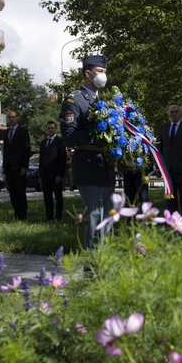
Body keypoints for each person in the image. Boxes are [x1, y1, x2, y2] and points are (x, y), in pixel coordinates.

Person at [59, 55, 116, 249]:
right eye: (100, 72)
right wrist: (96, 134)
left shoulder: (106, 102)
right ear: (88, 73)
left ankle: (105, 260)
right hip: (88, 165)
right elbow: (68, 137)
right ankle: (92, 266)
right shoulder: (74, 101)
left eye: (104, 72)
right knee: (94, 217)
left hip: (106, 165)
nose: (103, 76)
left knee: (108, 217)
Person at [159, 105, 182, 221]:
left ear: (181, 114)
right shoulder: (163, 128)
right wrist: (158, 167)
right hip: (168, 170)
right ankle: (172, 221)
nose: (174, 114)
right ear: (169, 114)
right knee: (170, 198)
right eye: (172, 112)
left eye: (176, 112)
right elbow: (160, 148)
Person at [3, 110, 30, 220]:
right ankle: (16, 214)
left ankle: (23, 215)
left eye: (13, 117)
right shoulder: (6, 132)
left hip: (19, 167)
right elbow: (5, 149)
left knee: (20, 193)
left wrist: (24, 167)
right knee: (12, 193)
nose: (11, 119)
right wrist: (4, 166)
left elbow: (26, 150)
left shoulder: (22, 131)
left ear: (17, 118)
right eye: (9, 117)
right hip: (9, 167)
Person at [38, 121, 67, 221]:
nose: (50, 130)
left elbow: (63, 159)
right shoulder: (43, 143)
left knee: (58, 197)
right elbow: (41, 160)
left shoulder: (60, 141)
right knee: (47, 198)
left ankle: (58, 217)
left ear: (56, 129)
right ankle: (49, 217)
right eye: (48, 128)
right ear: (46, 130)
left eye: (52, 128)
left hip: (56, 176)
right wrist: (40, 175)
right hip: (45, 175)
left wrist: (60, 175)